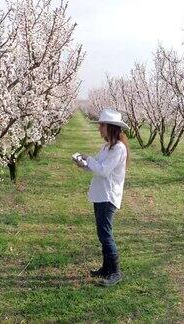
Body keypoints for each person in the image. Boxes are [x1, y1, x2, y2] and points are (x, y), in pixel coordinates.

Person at [74, 108, 130, 286]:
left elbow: (103, 170)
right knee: (102, 233)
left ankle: (115, 272)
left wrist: (89, 159)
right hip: (100, 194)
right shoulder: (107, 147)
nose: (99, 129)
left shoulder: (119, 149)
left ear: (111, 127)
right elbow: (96, 165)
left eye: (102, 126)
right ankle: (106, 268)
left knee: (106, 234)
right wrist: (83, 163)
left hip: (108, 196)